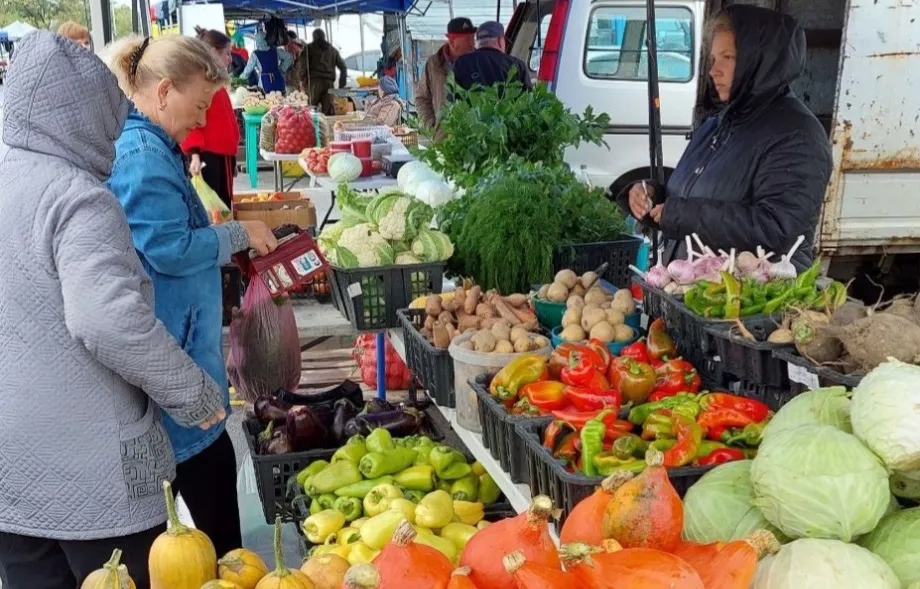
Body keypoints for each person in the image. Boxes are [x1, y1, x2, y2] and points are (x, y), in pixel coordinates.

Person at [0, 31, 225, 588]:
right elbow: (107, 319)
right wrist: (190, 390)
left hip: (11, 465)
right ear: (87, 115)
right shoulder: (75, 196)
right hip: (92, 471)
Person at [105, 34, 278, 558]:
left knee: (198, 494)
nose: (202, 122)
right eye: (199, 106)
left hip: (182, 356)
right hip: (172, 371)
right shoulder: (141, 156)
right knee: (205, 502)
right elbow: (170, 249)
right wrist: (238, 235)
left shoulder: (153, 148)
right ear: (163, 92)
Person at [619, 5, 831, 271]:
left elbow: (777, 229)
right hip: (697, 293)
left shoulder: (798, 135)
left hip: (750, 303)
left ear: (759, 61)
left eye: (727, 58)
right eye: (713, 59)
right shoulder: (718, 122)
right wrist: (653, 197)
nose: (713, 71)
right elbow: (701, 194)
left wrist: (680, 215)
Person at [183, 27, 239, 208]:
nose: (230, 59)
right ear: (213, 52)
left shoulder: (215, 82)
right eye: (227, 54)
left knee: (222, 206)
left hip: (221, 156)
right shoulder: (202, 83)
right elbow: (192, 119)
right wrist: (194, 155)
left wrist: (232, 158)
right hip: (209, 156)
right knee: (215, 208)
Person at [415, 17, 476, 131]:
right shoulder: (433, 64)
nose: (472, 43)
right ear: (452, 41)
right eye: (468, 39)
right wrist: (432, 125)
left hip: (474, 138)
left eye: (473, 38)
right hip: (444, 139)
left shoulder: (479, 61)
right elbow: (421, 98)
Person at [454, 21, 532, 91]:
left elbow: (453, 97)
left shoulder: (460, 63)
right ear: (500, 40)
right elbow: (529, 98)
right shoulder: (516, 65)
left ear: (478, 42)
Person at [307, 29, 347, 115]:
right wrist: (341, 86)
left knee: (311, 110)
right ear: (324, 37)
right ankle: (327, 127)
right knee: (328, 112)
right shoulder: (333, 50)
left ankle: (313, 127)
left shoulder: (308, 49)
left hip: (314, 83)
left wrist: (303, 81)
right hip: (329, 84)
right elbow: (343, 67)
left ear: (314, 37)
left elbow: (302, 66)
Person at [240, 28, 292, 94]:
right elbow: (289, 57)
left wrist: (241, 80)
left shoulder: (255, 54)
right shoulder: (275, 50)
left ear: (257, 41)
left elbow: (248, 70)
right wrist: (281, 69)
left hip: (265, 83)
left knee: (268, 102)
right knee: (281, 101)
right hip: (279, 80)